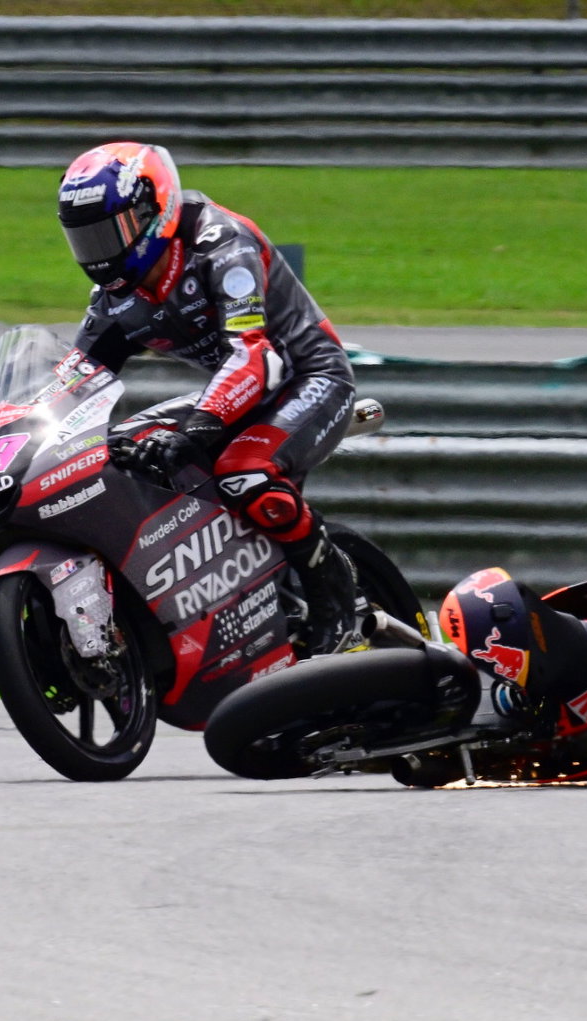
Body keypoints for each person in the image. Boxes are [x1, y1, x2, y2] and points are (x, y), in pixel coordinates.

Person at [57, 141, 362, 655]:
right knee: (117, 449)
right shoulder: (116, 299)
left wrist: (196, 429)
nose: (100, 252)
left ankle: (339, 607)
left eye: (112, 233)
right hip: (233, 394)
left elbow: (253, 356)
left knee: (245, 473)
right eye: (86, 239)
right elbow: (75, 376)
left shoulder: (222, 243)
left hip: (308, 377)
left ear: (157, 210)